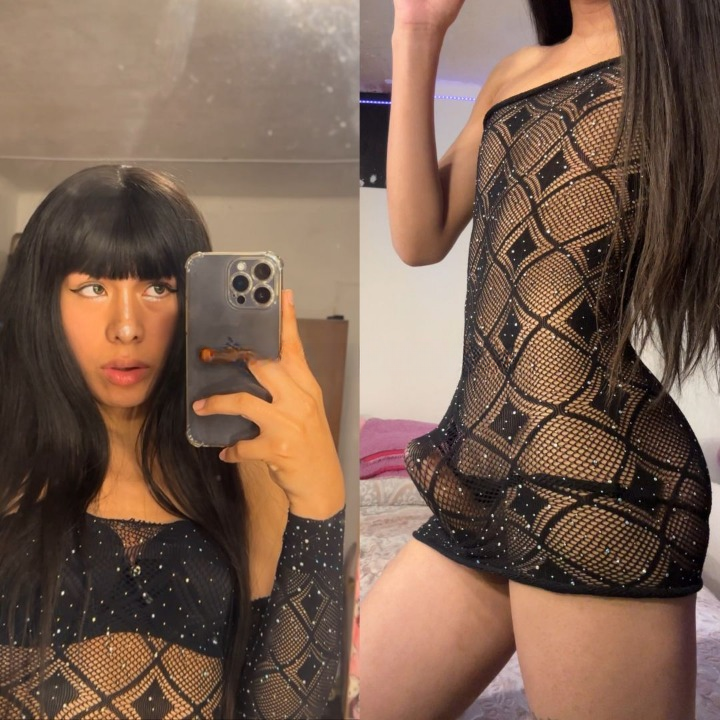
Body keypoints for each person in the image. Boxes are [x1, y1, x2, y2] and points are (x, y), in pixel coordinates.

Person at [362, 1, 718, 718]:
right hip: (477, 475)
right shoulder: (514, 73)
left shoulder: (690, 66)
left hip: (597, 480)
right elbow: (419, 235)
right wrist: (417, 31)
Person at [0, 165, 346, 719]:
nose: (127, 327)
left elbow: (286, 710)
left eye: (158, 288)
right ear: (43, 300)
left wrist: (321, 501)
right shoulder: (10, 459)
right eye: (93, 288)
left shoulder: (242, 468)